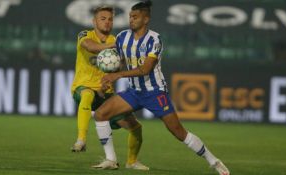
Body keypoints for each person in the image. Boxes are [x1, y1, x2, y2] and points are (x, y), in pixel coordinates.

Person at [93, 1, 230, 174]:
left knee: (178, 132)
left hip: (154, 92)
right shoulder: (121, 37)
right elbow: (120, 63)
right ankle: (111, 160)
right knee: (100, 114)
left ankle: (214, 162)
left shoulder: (154, 39)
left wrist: (117, 75)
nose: (131, 19)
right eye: (130, 16)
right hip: (134, 92)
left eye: (135, 17)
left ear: (146, 19)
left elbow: (146, 69)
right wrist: (109, 79)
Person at [70, 6, 148, 170]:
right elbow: (91, 47)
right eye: (103, 18)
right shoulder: (85, 35)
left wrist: (120, 65)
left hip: (106, 94)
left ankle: (132, 161)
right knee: (87, 95)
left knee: (135, 127)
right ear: (94, 21)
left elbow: (120, 68)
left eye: (110, 19)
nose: (107, 22)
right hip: (82, 87)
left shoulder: (115, 40)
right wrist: (114, 46)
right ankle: (81, 139)